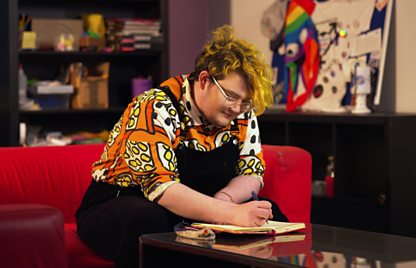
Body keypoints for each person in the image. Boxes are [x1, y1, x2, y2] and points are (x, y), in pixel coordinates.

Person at [75, 24, 288, 268]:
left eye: (246, 102)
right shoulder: (154, 105)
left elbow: (251, 171)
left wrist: (225, 200)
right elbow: (160, 188)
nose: (238, 109)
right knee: (148, 218)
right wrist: (229, 215)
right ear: (205, 80)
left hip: (198, 206)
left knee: (271, 212)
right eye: (231, 97)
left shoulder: (240, 111)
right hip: (121, 205)